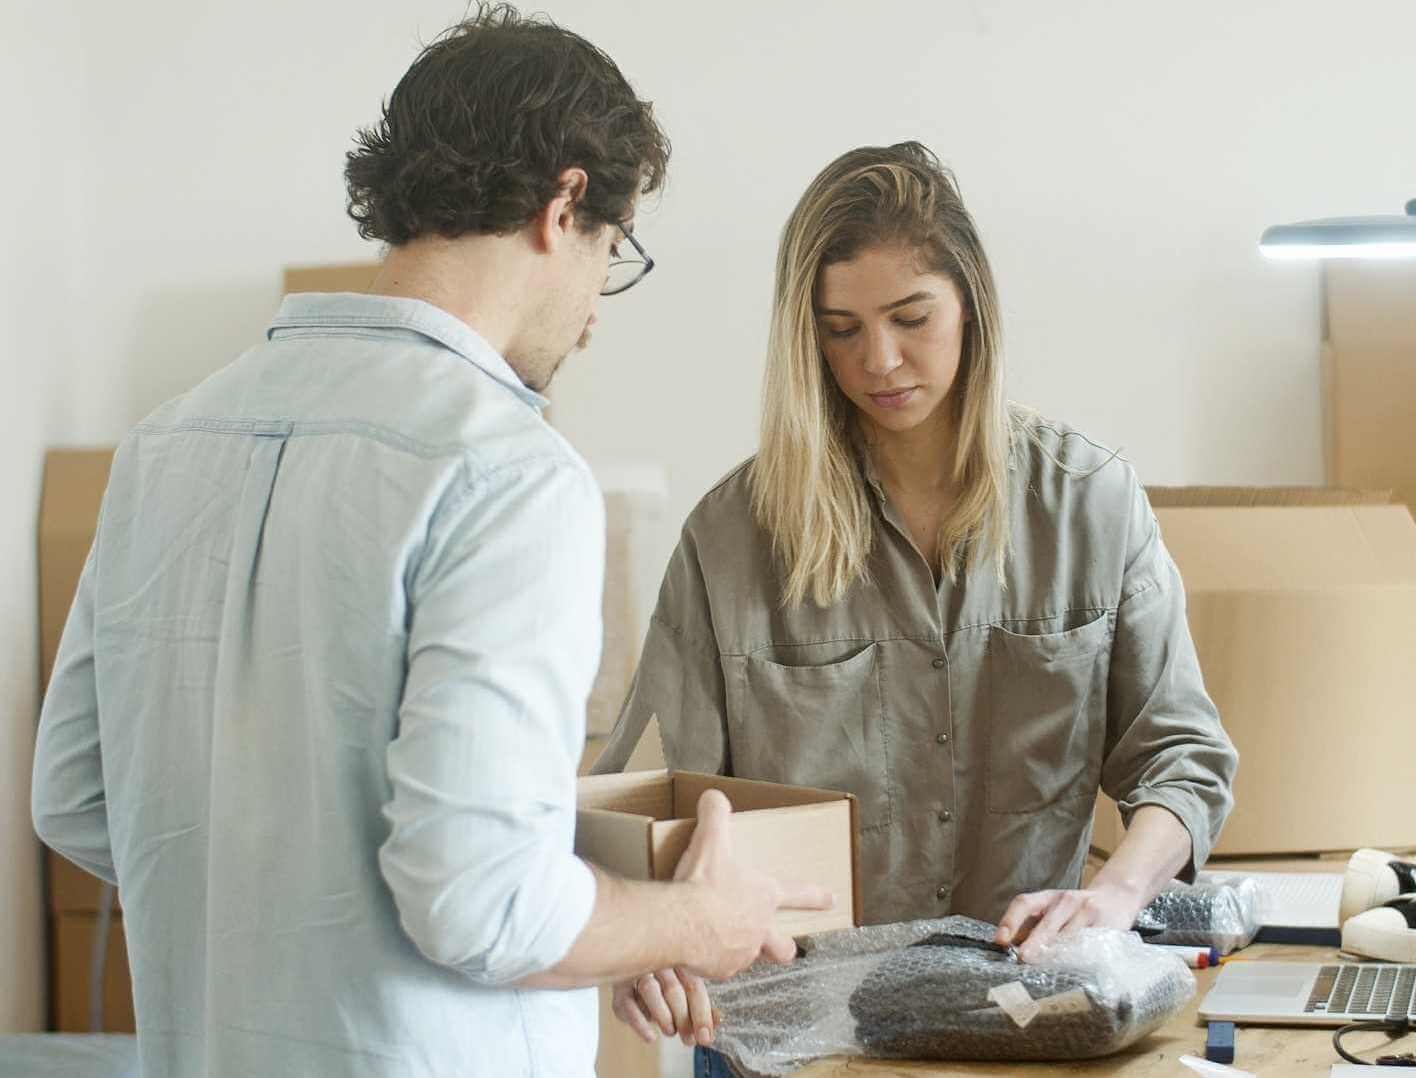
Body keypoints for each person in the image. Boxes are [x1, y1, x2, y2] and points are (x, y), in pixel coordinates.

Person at [31, 8, 826, 1077]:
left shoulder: (165, 442)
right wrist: (691, 922)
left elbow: (77, 795)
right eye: (611, 255)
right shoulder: (509, 471)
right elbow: (477, 898)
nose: (595, 311)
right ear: (565, 203)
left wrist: (585, 925)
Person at [593, 141, 1239, 1071]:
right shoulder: (731, 539)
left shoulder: (1090, 505)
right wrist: (649, 931)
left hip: (1022, 1016)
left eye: (910, 318)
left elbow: (1182, 756)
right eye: (841, 329)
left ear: (970, 305)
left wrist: (1120, 894)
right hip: (792, 1039)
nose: (879, 360)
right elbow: (648, 802)